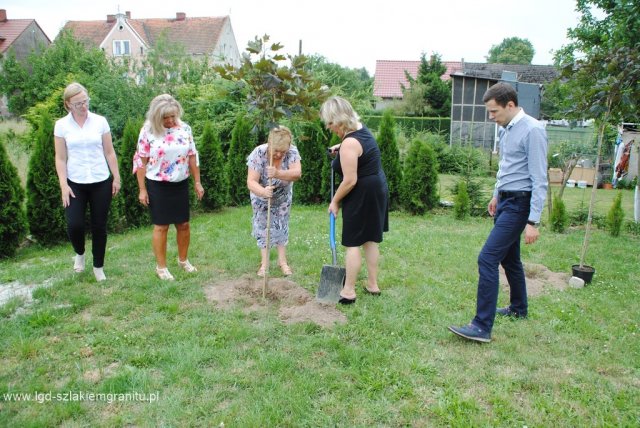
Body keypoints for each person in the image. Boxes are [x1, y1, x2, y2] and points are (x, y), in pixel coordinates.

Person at [449, 82, 548, 343]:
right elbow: (507, 166)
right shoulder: (506, 130)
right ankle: (518, 308)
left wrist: (533, 220)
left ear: (511, 105)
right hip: (505, 201)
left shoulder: (533, 130)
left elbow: (539, 178)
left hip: (520, 204)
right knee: (509, 259)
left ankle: (481, 326)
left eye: (494, 111)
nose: (491, 117)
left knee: (487, 258)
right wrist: (496, 194)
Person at [320, 96, 389, 304]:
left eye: (330, 123)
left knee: (353, 242)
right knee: (369, 239)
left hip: (362, 192)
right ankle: (372, 284)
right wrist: (340, 148)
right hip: (376, 188)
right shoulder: (360, 130)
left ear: (339, 120)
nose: (328, 127)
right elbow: (359, 149)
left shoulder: (350, 143)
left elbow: (349, 181)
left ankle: (348, 291)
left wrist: (335, 201)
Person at [54, 82, 121, 282]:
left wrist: (116, 176)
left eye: (85, 101)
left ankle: (98, 266)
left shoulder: (100, 121)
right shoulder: (61, 125)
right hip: (75, 182)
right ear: (68, 105)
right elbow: (60, 158)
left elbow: (109, 152)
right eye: (78, 104)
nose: (83, 106)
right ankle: (80, 253)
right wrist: (64, 185)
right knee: (74, 225)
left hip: (101, 180)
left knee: (99, 226)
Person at [133, 94, 204, 280]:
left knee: (184, 224)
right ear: (157, 117)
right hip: (157, 184)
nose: (171, 120)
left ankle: (183, 260)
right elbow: (141, 162)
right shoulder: (148, 131)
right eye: (166, 117)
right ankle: (161, 267)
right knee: (161, 226)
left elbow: (192, 155)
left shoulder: (185, 128)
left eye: (173, 115)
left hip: (180, 183)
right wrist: (142, 189)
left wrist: (197, 182)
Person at [246, 126, 301, 277]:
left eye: (282, 151)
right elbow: (251, 182)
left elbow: (297, 174)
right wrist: (263, 191)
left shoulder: (292, 152)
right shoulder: (258, 153)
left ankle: (282, 262)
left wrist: (278, 173)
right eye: (275, 150)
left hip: (283, 197)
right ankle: (264, 264)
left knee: (281, 226)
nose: (278, 154)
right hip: (261, 197)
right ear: (269, 144)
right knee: (263, 228)